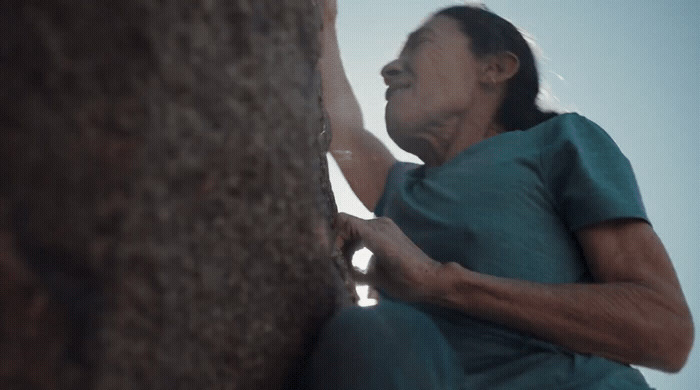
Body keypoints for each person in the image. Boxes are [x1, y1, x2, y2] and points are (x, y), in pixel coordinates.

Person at [304, 2, 694, 389]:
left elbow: (665, 330)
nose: (389, 69)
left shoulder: (556, 144)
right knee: (369, 335)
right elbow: (344, 128)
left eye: (420, 44)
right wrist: (324, 21)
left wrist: (441, 283)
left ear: (495, 69)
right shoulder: (401, 189)